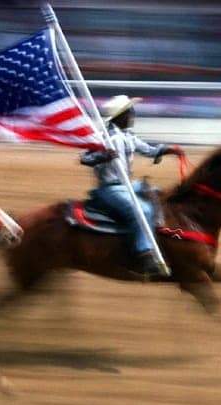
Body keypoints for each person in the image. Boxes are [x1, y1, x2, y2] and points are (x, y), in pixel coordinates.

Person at [80, 95, 183, 276]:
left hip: (128, 185)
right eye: (130, 111)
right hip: (110, 188)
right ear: (120, 116)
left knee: (158, 194)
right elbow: (84, 158)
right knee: (144, 210)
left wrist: (168, 149)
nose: (133, 114)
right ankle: (144, 254)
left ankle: (156, 235)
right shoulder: (105, 138)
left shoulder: (128, 136)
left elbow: (149, 150)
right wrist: (102, 156)